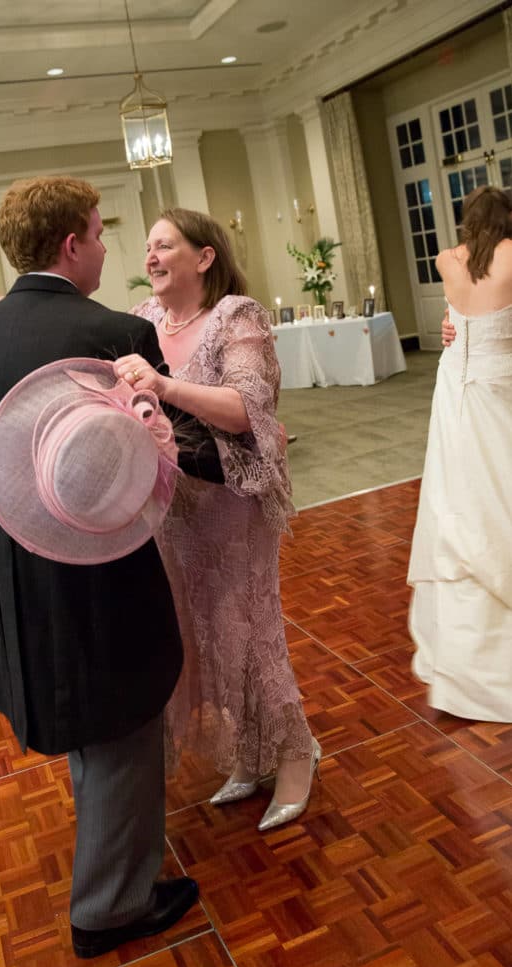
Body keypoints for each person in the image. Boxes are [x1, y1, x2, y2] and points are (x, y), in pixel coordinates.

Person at [0, 176, 226, 959]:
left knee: (87, 729)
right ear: (71, 244)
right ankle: (110, 906)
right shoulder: (114, 331)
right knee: (124, 722)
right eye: (99, 234)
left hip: (8, 565)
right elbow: (154, 470)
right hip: (96, 564)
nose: (106, 247)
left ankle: (114, 863)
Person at [113, 208, 320, 832]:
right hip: (171, 506)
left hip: (232, 502)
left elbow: (246, 409)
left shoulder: (237, 316)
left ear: (203, 257)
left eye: (165, 245)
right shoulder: (145, 321)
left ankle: (295, 755)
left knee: (250, 628)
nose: (150, 256)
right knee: (203, 633)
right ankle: (250, 753)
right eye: (147, 247)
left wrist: (165, 385)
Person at [408, 185, 512, 720]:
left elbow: (460, 314)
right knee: (502, 490)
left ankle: (463, 655)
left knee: (461, 495)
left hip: (456, 387)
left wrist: (456, 322)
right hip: (500, 382)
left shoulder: (447, 258)